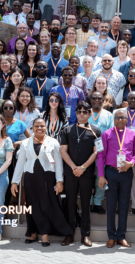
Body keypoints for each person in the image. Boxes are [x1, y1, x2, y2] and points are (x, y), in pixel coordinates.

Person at [10, 118, 73, 246]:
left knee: (46, 205)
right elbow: (20, 163)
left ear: (46, 127)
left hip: (47, 177)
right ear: (32, 127)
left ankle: (45, 234)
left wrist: (59, 181)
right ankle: (33, 232)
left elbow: (58, 163)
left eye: (42, 126)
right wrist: (14, 182)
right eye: (37, 126)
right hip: (30, 178)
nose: (40, 128)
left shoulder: (53, 142)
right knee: (32, 206)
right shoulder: (26, 143)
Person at [60, 101, 100, 247]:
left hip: (87, 173)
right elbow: (63, 150)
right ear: (75, 113)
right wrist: (73, 167)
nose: (82, 114)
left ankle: (85, 235)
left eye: (85, 111)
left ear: (90, 114)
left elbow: (97, 152)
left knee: (85, 205)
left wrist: (82, 168)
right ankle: (68, 234)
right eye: (79, 111)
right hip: (70, 173)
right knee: (69, 204)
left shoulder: (96, 131)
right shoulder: (67, 130)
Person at [97, 110, 135, 248]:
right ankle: (111, 237)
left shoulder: (132, 134)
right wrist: (101, 176)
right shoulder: (106, 134)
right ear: (114, 119)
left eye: (123, 118)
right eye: (118, 117)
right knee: (110, 204)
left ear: (127, 120)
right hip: (111, 173)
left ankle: (121, 236)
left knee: (124, 205)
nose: (120, 120)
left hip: (126, 173)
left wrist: (131, 163)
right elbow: (101, 156)